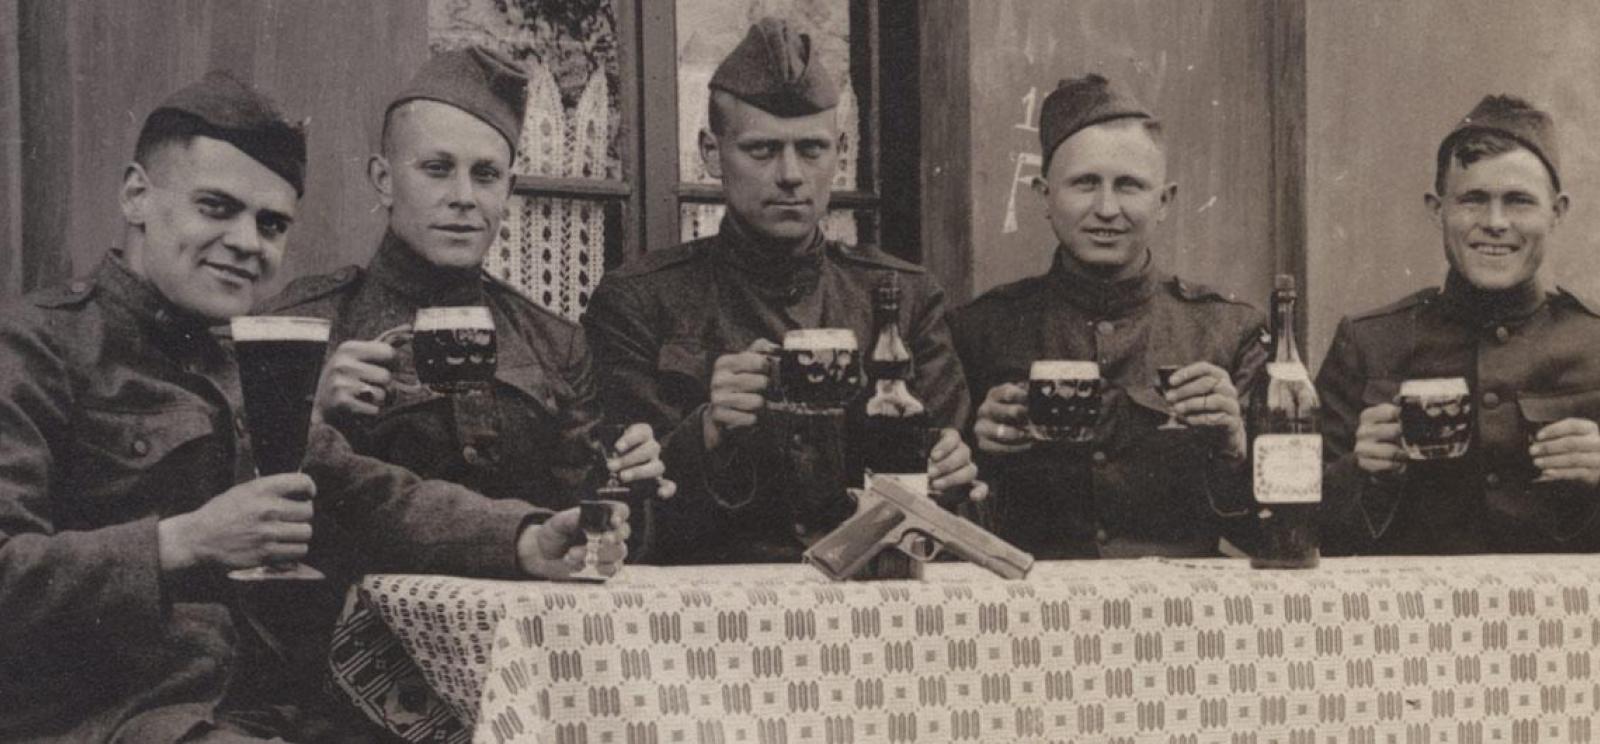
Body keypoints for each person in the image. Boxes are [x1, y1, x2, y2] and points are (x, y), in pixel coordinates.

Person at [0, 72, 627, 744]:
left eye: (271, 224)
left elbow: (373, 496)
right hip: (101, 720)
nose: (247, 241)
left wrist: (526, 537)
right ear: (136, 195)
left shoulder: (244, 360)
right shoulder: (37, 345)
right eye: (216, 207)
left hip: (263, 711)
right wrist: (181, 542)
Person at [583, 17, 982, 564]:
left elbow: (955, 500)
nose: (791, 174)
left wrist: (954, 481)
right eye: (763, 150)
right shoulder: (637, 302)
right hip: (712, 615)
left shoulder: (902, 297)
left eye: (812, 149)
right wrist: (706, 431)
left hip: (875, 603)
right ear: (710, 151)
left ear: (841, 153)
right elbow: (625, 511)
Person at [260, 45, 671, 512]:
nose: (463, 197)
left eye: (486, 175)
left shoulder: (556, 345)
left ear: (508, 191)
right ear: (383, 178)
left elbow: (592, 528)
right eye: (437, 169)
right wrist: (314, 417)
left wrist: (629, 483)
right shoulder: (300, 328)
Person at [950, 74, 1267, 560]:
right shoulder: (980, 330)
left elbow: (1275, 532)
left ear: (1164, 202)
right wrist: (980, 456)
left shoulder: (1230, 332)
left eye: (1130, 186)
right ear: (1043, 196)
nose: (1106, 208)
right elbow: (948, 524)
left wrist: (1233, 447)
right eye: (1084, 184)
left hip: (1173, 617)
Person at [1318, 94, 1600, 555]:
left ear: (1558, 212)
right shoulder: (1368, 342)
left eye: (1519, 202)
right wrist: (1358, 470)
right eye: (1473, 200)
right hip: (1403, 623)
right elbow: (1294, 526)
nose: (1495, 222)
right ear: (1437, 210)